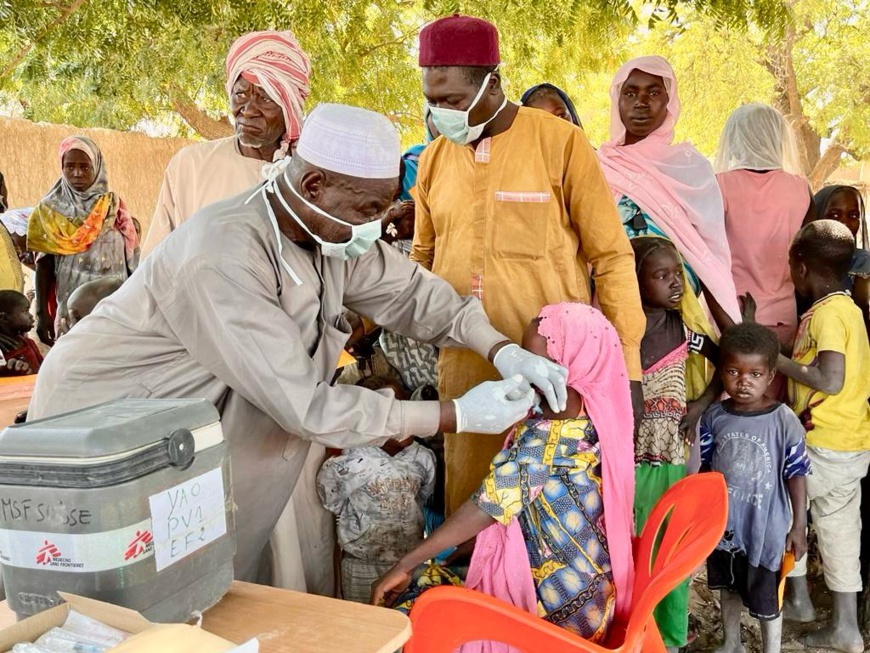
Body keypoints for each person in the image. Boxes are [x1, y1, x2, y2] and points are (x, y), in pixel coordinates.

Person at [28, 103, 568, 583]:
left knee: (204, 582)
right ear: (313, 187)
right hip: (107, 427)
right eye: (368, 209)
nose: (378, 225)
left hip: (187, 424)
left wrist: (500, 348)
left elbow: (412, 295)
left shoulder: (329, 232)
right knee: (124, 598)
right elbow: (305, 405)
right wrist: (455, 415)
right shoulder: (224, 254)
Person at [411, 15, 645, 515]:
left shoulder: (561, 143)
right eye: (432, 100)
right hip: (467, 372)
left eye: (451, 100)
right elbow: (421, 261)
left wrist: (627, 369)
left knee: (551, 523)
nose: (441, 113)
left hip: (556, 378)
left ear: (492, 83)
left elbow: (610, 256)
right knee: (471, 519)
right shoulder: (433, 159)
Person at [372, 303, 636, 644]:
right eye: (525, 361)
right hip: (593, 591)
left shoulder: (554, 429)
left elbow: (489, 506)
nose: (525, 376)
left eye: (542, 365)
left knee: (412, 607)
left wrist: (405, 564)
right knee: (443, 571)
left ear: (576, 364)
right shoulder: (595, 413)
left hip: (562, 607)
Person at [764, 220, 870, 653]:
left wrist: (773, 359)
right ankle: (846, 627)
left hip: (820, 444)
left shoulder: (830, 314)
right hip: (849, 444)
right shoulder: (845, 311)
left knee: (787, 511)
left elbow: (829, 378)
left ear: (803, 268)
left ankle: (800, 600)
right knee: (841, 529)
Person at [598, 56, 739, 332]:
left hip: (675, 314)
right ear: (618, 101)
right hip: (608, 309)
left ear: (669, 101)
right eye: (630, 93)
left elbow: (708, 254)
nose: (641, 102)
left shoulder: (690, 168)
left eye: (653, 92)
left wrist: (731, 332)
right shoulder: (599, 165)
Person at [141, 30, 311, 257]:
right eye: (240, 95)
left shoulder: (311, 178)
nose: (248, 111)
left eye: (266, 98)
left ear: (290, 108)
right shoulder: (189, 167)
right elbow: (153, 266)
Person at [631, 237, 720, 652]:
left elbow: (726, 359)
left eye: (677, 275)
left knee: (671, 547)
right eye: (661, 276)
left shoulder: (684, 332)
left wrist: (700, 404)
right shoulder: (621, 334)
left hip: (671, 459)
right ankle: (638, 632)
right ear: (635, 281)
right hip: (629, 462)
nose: (675, 285)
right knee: (634, 549)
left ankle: (669, 635)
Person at [700, 323, 809, 653]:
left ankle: (771, 649)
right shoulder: (714, 416)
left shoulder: (782, 420)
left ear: (771, 376)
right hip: (725, 527)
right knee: (728, 587)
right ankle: (731, 642)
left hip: (766, 529)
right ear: (722, 371)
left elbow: (797, 473)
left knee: (766, 597)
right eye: (733, 371)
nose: (743, 381)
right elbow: (704, 469)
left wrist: (799, 525)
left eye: (755, 374)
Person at [317, 377, 436, 604]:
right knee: (367, 627)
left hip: (409, 562)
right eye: (390, 415)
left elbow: (422, 497)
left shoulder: (423, 458)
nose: (403, 422)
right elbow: (332, 500)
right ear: (368, 422)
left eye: (404, 410)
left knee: (407, 621)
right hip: (361, 562)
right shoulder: (349, 460)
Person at [715, 104, 814, 372]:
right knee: (777, 398)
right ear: (777, 140)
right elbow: (809, 255)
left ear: (735, 140)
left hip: (730, 314)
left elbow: (707, 255)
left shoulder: (719, 184)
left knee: (736, 398)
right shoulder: (800, 188)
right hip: (783, 315)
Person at [28, 136, 139, 346]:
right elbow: (43, 265)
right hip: (72, 309)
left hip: (115, 306)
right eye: (70, 166)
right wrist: (42, 313)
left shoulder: (113, 207)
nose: (77, 173)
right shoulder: (48, 212)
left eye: (84, 167)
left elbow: (132, 259)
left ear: (96, 167)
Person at [811, 185, 869, 339]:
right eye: (835, 215)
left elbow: (862, 315)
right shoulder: (803, 259)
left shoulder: (861, 263)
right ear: (817, 216)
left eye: (854, 215)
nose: (845, 223)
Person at [0, 290, 42, 376]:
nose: (31, 316)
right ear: (4, 318)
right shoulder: (2, 351)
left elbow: (42, 370)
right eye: (25, 311)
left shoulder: (29, 343)